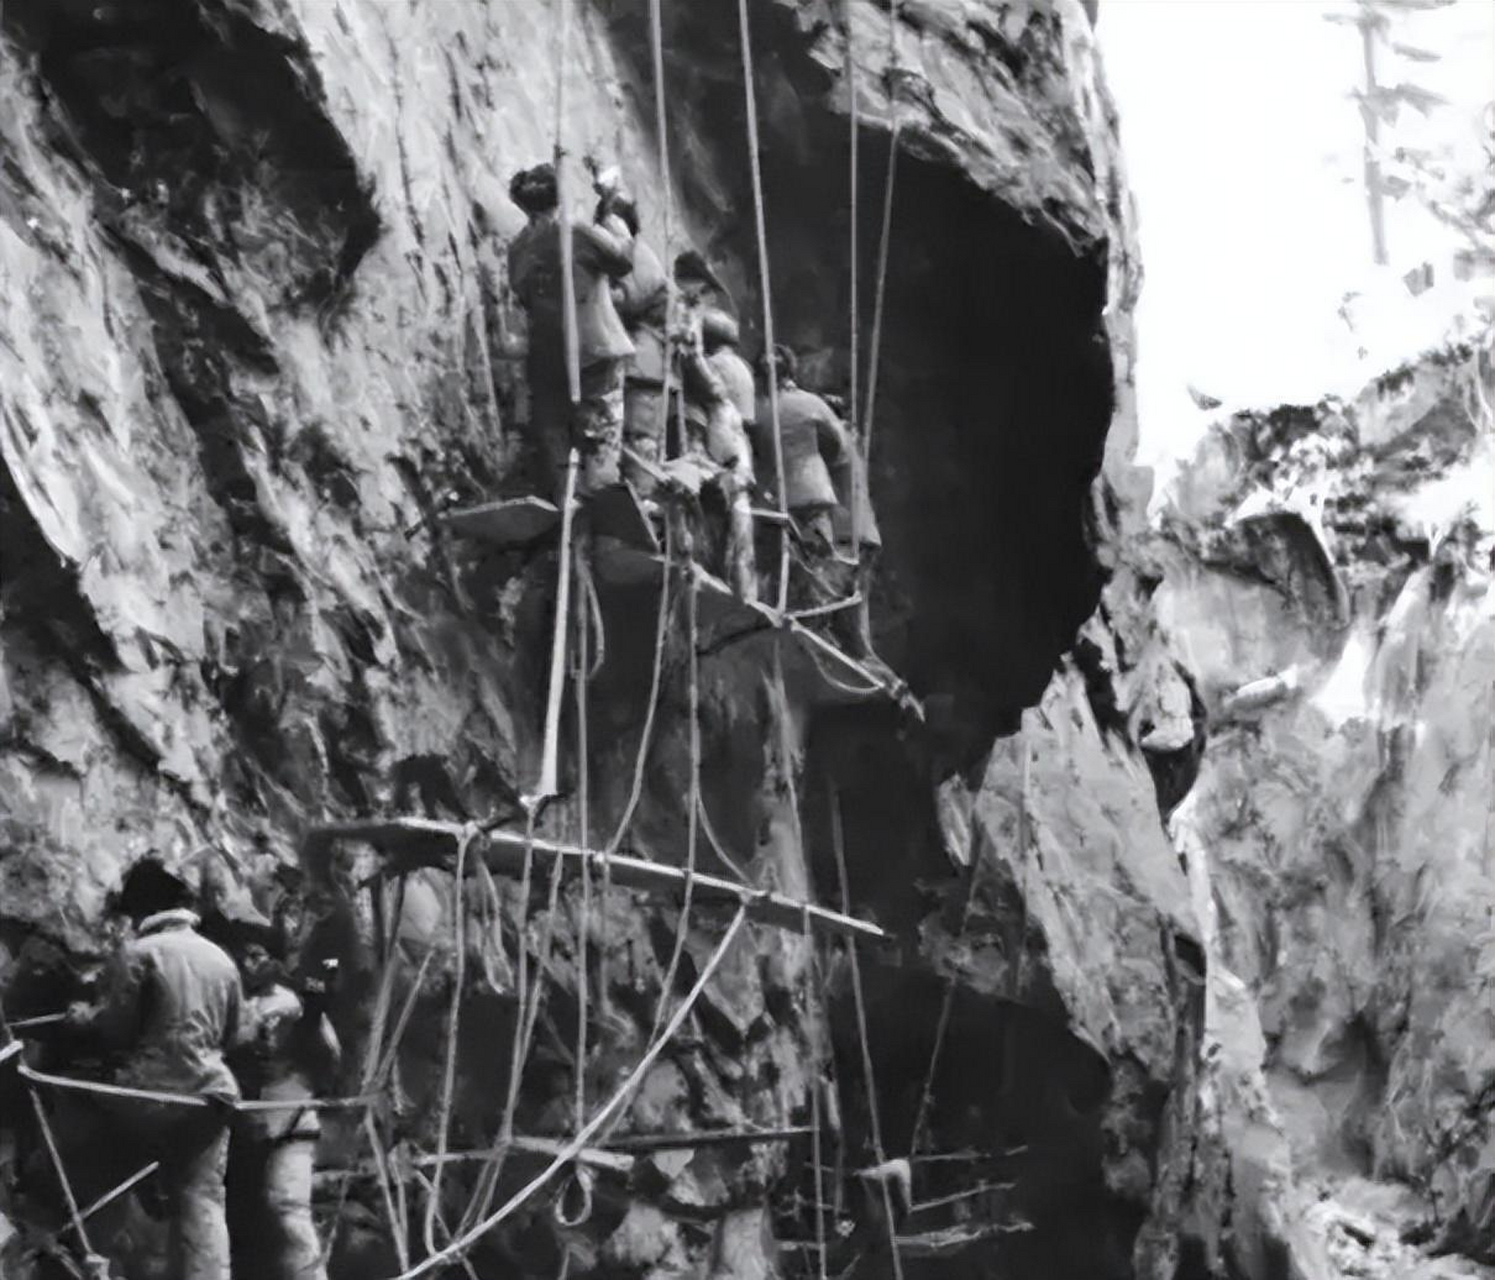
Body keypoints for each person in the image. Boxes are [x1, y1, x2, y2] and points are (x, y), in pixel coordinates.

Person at [65, 857, 243, 1280]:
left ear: (143, 912)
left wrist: (82, 1016)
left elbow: (115, 1030)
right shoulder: (221, 959)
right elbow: (235, 1035)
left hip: (150, 1096)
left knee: (101, 1168)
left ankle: (94, 1261)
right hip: (212, 1096)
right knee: (202, 1201)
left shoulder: (140, 953)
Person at [507, 162, 636, 498]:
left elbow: (522, 294)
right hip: (593, 352)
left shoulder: (518, 248)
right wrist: (612, 218)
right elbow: (622, 259)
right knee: (600, 438)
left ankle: (568, 509)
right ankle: (602, 509)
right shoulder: (576, 232)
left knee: (558, 446)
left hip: (546, 360)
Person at [228, 926, 340, 1280]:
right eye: (243, 955)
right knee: (246, 1221)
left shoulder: (291, 1005)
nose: (248, 964)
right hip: (243, 1129)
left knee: (288, 1209)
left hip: (288, 1123)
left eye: (258, 955)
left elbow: (330, 1058)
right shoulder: (231, 1000)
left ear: (275, 962)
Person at [753, 345, 850, 557]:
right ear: (791, 371)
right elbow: (840, 445)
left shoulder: (759, 412)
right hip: (812, 493)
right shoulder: (812, 403)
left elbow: (757, 454)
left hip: (773, 498)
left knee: (779, 564)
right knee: (819, 561)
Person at [605, 193, 670, 499]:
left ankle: (641, 502)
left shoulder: (641, 257)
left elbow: (627, 300)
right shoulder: (623, 254)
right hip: (624, 358)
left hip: (644, 364)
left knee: (641, 441)